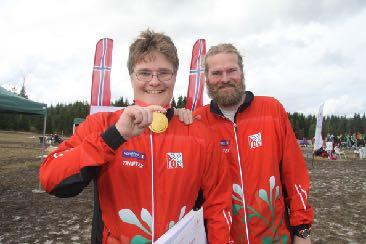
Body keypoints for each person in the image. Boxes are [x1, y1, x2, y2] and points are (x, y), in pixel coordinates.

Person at [39, 30, 232, 243]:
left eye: (164, 72)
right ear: (131, 76)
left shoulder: (199, 133)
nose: (155, 81)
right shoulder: (102, 125)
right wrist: (113, 137)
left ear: (175, 77)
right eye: (145, 73)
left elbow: (218, 206)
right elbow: (51, 179)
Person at [193, 43, 314, 243]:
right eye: (216, 73)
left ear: (242, 72)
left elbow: (295, 174)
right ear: (206, 78)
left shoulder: (272, 110)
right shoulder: (198, 121)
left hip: (274, 237)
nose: (225, 79)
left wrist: (302, 230)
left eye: (231, 70)